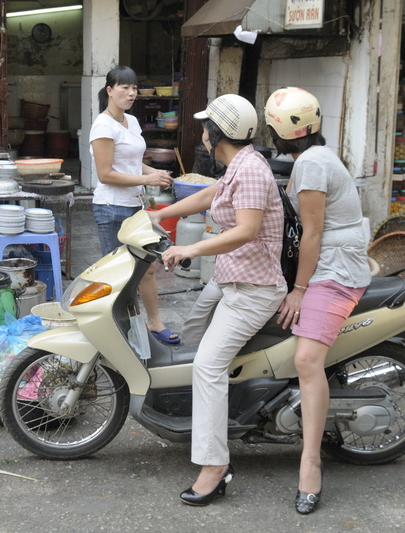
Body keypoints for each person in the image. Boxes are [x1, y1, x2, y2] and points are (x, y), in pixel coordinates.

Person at [150, 94, 286, 506]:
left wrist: (189, 249)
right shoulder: (238, 166)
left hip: (253, 289)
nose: (203, 134)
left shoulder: (250, 172)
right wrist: (162, 214)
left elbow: (246, 229)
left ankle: (215, 467)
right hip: (231, 281)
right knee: (192, 337)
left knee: (208, 367)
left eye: (206, 127)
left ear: (216, 134)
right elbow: (210, 198)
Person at [264, 87, 371, 514]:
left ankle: (310, 463)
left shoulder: (309, 165)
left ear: (280, 130)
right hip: (329, 262)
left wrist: (300, 290)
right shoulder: (315, 157)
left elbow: (312, 233)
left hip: (334, 271)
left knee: (307, 360)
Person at [89, 66, 178, 343]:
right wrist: (145, 177)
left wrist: (152, 174)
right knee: (121, 275)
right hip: (112, 207)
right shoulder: (103, 125)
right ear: (110, 91)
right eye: (124, 88)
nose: (131, 93)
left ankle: (153, 322)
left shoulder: (132, 122)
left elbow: (130, 163)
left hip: (135, 205)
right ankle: (116, 330)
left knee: (148, 267)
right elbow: (105, 174)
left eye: (134, 88)